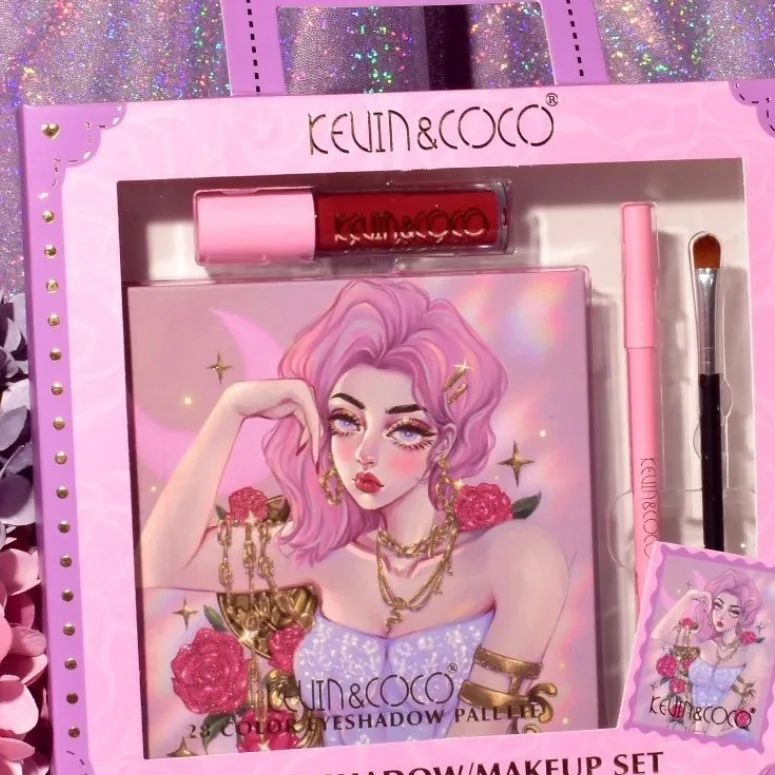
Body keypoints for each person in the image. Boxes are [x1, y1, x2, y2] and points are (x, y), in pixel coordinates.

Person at [140, 278, 568, 745]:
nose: (365, 453)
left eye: (403, 429)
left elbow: (480, 745)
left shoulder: (515, 558)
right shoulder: (325, 552)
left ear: (444, 442)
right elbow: (160, 563)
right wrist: (231, 410)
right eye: (346, 421)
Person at [652, 569, 765, 736]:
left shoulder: (750, 652)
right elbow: (659, 634)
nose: (721, 615)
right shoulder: (704, 643)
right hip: (698, 732)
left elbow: (730, 702)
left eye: (733, 611)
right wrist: (688, 597)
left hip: (726, 735)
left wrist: (708, 738)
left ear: (743, 617)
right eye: (718, 606)